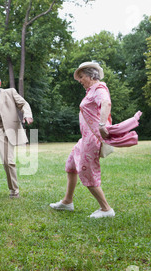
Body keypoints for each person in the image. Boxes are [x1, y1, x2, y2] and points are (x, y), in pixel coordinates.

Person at [50, 61, 141, 218]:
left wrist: (101, 125)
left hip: (92, 139)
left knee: (88, 172)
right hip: (85, 138)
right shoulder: (90, 91)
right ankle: (67, 202)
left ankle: (106, 209)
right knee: (71, 164)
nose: (80, 80)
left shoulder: (99, 88)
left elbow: (106, 103)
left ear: (90, 75)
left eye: (81, 77)